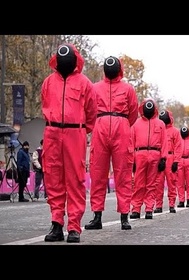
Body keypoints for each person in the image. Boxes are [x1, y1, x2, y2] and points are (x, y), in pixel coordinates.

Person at [41, 43, 97, 243]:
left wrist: (81, 129)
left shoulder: (85, 83)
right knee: (53, 178)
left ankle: (74, 227)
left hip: (75, 133)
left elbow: (92, 112)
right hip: (52, 132)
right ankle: (56, 224)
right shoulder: (48, 82)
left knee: (75, 179)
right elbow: (44, 104)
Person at [84, 55, 138, 231]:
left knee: (123, 173)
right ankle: (97, 216)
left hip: (121, 127)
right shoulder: (94, 87)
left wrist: (121, 124)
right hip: (101, 125)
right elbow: (89, 109)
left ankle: (124, 216)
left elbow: (133, 112)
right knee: (98, 172)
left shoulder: (128, 89)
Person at [130, 98, 168, 220]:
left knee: (152, 184)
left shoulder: (160, 124)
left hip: (155, 154)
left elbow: (164, 142)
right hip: (140, 153)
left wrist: (163, 159)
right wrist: (132, 160)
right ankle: (136, 208)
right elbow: (131, 142)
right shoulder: (136, 124)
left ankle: (149, 208)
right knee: (138, 183)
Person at [154, 109, 182, 214]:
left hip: (170, 157)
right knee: (158, 184)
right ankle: (158, 205)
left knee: (172, 183)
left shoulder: (175, 131)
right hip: (160, 157)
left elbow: (178, 147)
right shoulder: (157, 129)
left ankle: (171, 205)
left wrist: (176, 161)